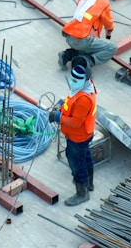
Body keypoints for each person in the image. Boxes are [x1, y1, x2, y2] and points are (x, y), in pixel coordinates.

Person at [49, 57, 97, 206]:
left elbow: (76, 122)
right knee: (85, 157)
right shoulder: (85, 86)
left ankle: (82, 193)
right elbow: (71, 98)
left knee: (77, 164)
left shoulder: (84, 99)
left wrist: (58, 116)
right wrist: (61, 104)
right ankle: (89, 184)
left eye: (78, 77)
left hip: (78, 137)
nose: (74, 79)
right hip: (84, 135)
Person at [58, 0, 118, 71]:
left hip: (70, 36)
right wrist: (109, 32)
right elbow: (108, 24)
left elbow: (86, 15)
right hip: (83, 40)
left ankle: (67, 55)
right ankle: (87, 61)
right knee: (112, 48)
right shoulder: (103, 5)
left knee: (87, 45)